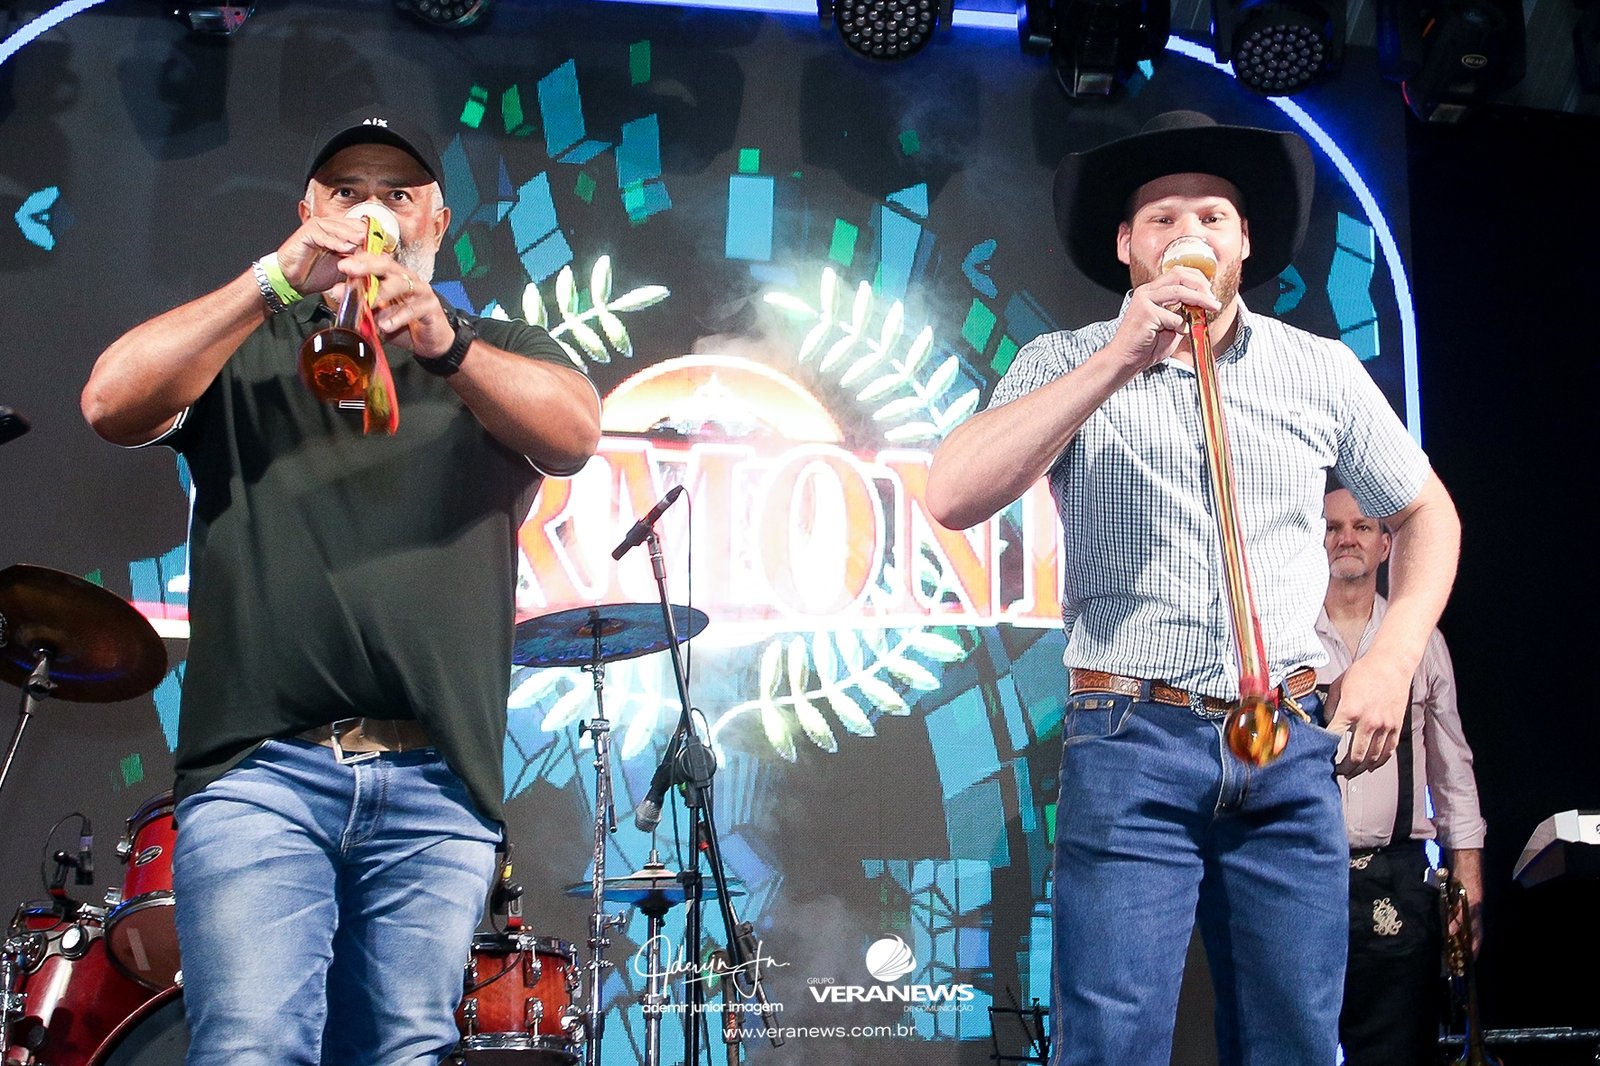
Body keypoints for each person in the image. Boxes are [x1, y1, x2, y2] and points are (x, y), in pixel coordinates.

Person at [926, 110, 1461, 1066]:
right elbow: (953, 492)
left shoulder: (1318, 369)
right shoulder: (1065, 360)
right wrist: (1119, 357)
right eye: (1163, 218)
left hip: (1287, 736)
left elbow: (1429, 514)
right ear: (1126, 246)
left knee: (1296, 1042)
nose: (1190, 234)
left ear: (1243, 241)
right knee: (1113, 1043)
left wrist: (1392, 656)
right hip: (1132, 736)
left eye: (1213, 216)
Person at [80, 108, 601, 1065]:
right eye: (347, 192)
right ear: (308, 213)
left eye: (397, 194)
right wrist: (273, 281)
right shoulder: (250, 346)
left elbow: (574, 433)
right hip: (261, 775)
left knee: (404, 1051)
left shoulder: (494, 349)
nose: (372, 212)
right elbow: (110, 401)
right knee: (251, 1046)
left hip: (436, 783)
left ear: (436, 222)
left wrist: (443, 343)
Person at [1319, 486, 1486, 1066]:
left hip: (1395, 880)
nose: (1346, 538)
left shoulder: (1420, 642)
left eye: (1362, 527)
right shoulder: (1287, 642)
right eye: (1333, 527)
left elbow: (1453, 771)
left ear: (1387, 545)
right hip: (1301, 872)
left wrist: (1468, 876)